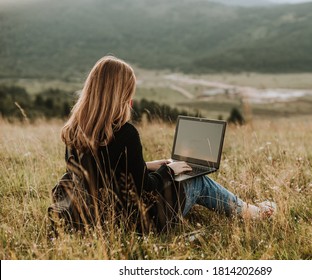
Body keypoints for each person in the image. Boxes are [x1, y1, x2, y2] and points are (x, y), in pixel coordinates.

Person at [61, 55, 276, 234]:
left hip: (105, 220)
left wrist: (149, 165)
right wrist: (168, 170)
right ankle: (250, 213)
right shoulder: (125, 133)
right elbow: (144, 190)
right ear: (122, 94)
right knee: (198, 179)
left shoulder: (75, 131)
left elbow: (109, 176)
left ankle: (248, 210)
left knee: (184, 175)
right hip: (143, 224)